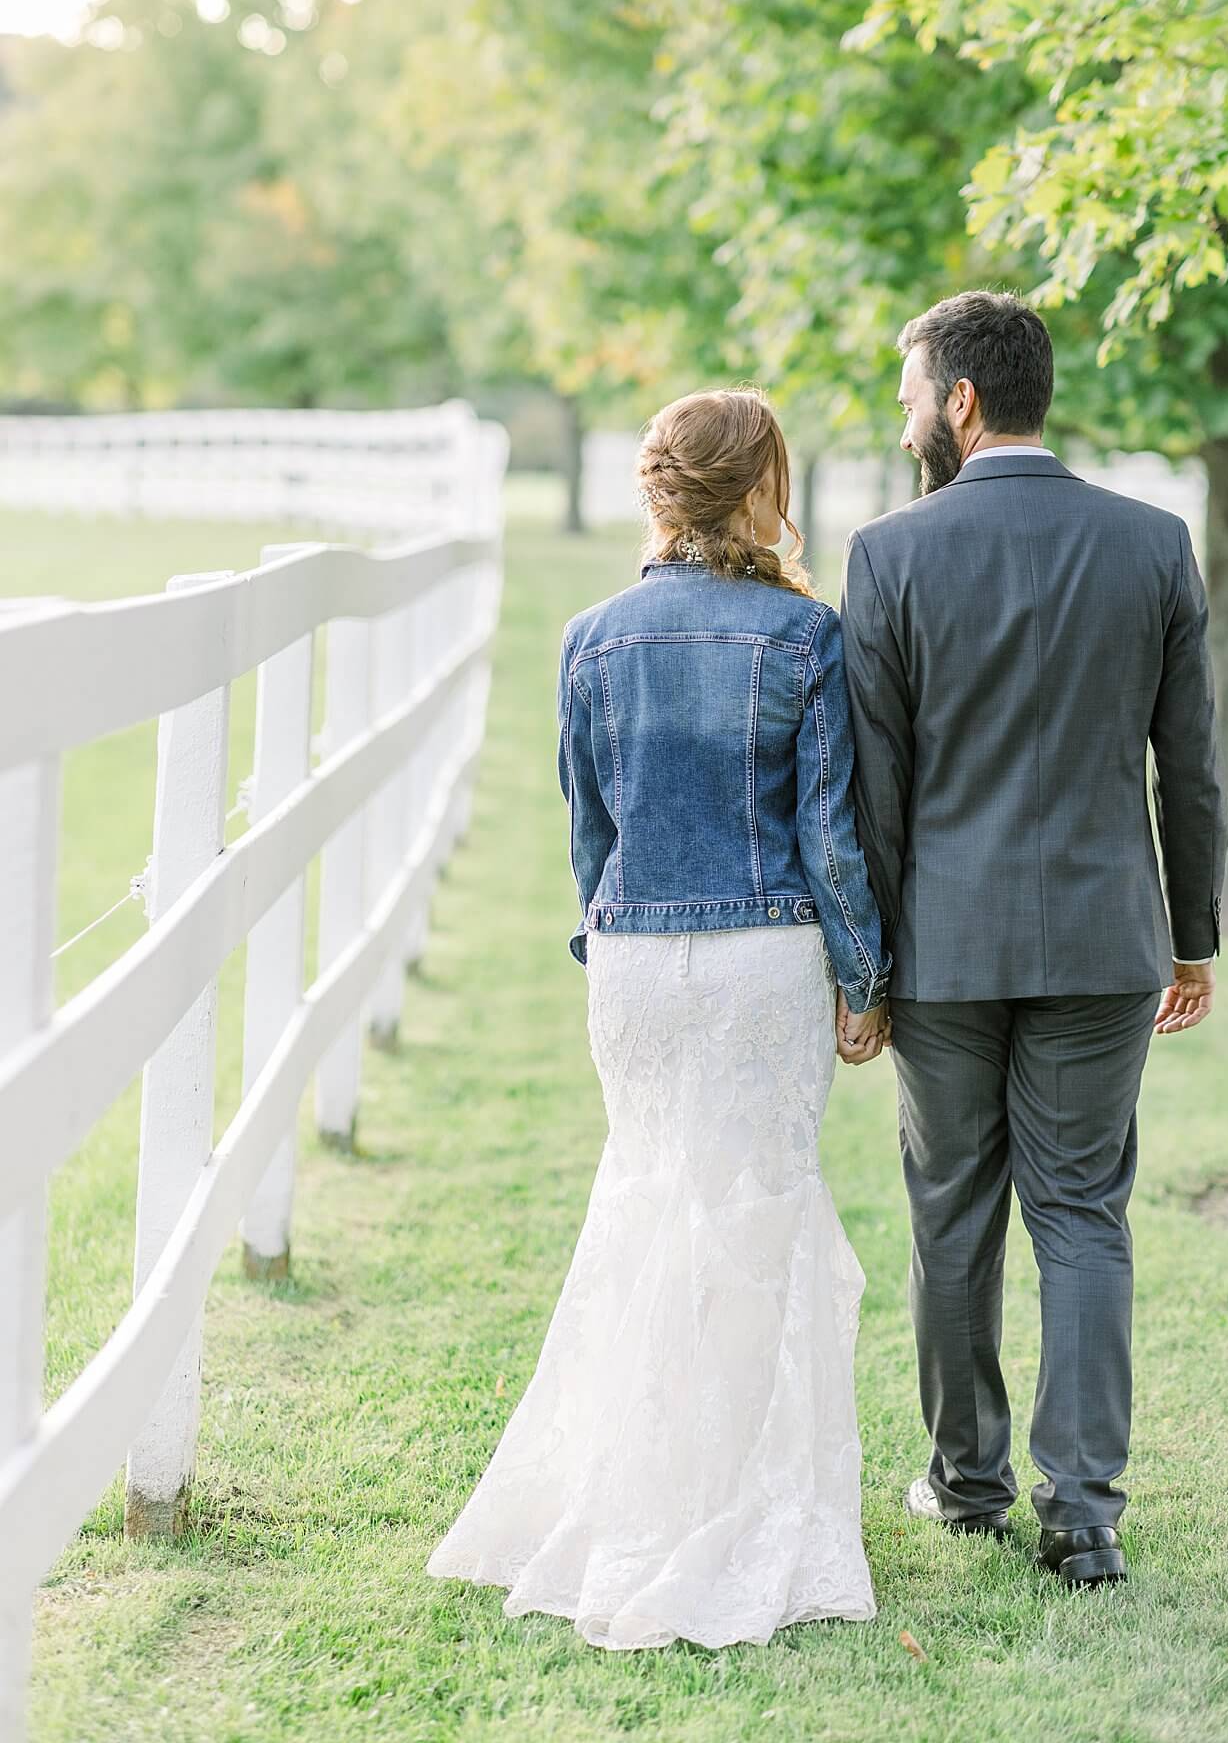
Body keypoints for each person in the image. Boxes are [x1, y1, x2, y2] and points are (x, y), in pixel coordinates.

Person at [427, 386, 893, 1648]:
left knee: (647, 1200)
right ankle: (733, 1503)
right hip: (761, 960)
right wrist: (864, 975)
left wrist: (613, 939)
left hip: (632, 961)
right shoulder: (804, 639)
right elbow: (829, 836)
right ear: (762, 488)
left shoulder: (591, 635)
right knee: (755, 1213)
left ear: (659, 489)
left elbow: (590, 830)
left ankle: (630, 1490)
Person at [840, 288, 1228, 1589]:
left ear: (959, 400)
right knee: (1081, 1217)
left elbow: (874, 788)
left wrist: (872, 966)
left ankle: (965, 1485)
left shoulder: (890, 554)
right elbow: (1190, 772)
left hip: (943, 946)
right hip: (1101, 942)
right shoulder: (1150, 543)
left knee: (951, 1218)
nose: (905, 419)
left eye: (911, 394)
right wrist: (1190, 937)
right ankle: (1084, 1513)